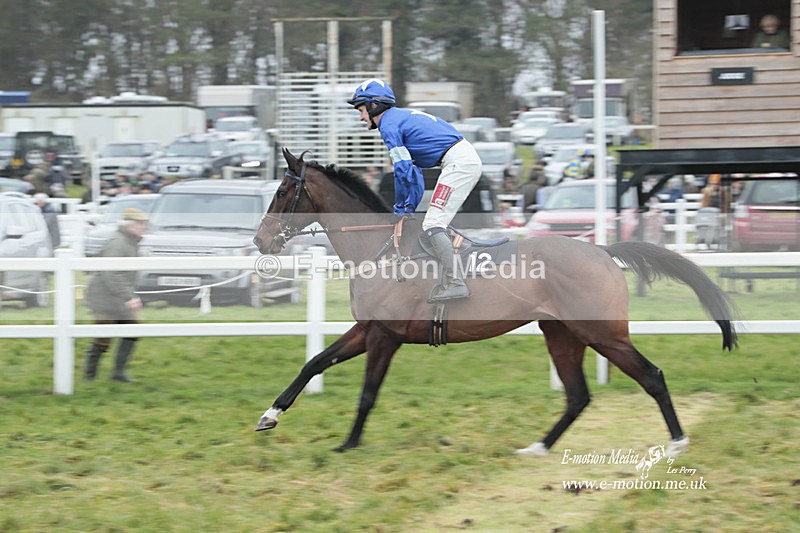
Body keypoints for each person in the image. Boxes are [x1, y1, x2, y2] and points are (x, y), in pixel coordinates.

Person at [347, 78, 482, 302]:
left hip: (459, 163)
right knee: (433, 221)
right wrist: (408, 207)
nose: (361, 118)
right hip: (460, 160)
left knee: (433, 224)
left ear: (373, 106)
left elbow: (402, 171)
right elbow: (414, 174)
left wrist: (401, 208)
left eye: (361, 110)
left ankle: (456, 283)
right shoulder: (397, 118)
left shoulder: (388, 126)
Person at [83, 207, 149, 382]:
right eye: (141, 223)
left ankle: (118, 373)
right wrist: (129, 296)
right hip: (104, 298)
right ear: (129, 225)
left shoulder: (130, 241)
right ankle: (89, 376)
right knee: (103, 338)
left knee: (132, 331)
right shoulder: (118, 242)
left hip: (118, 297)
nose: (144, 227)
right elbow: (110, 273)